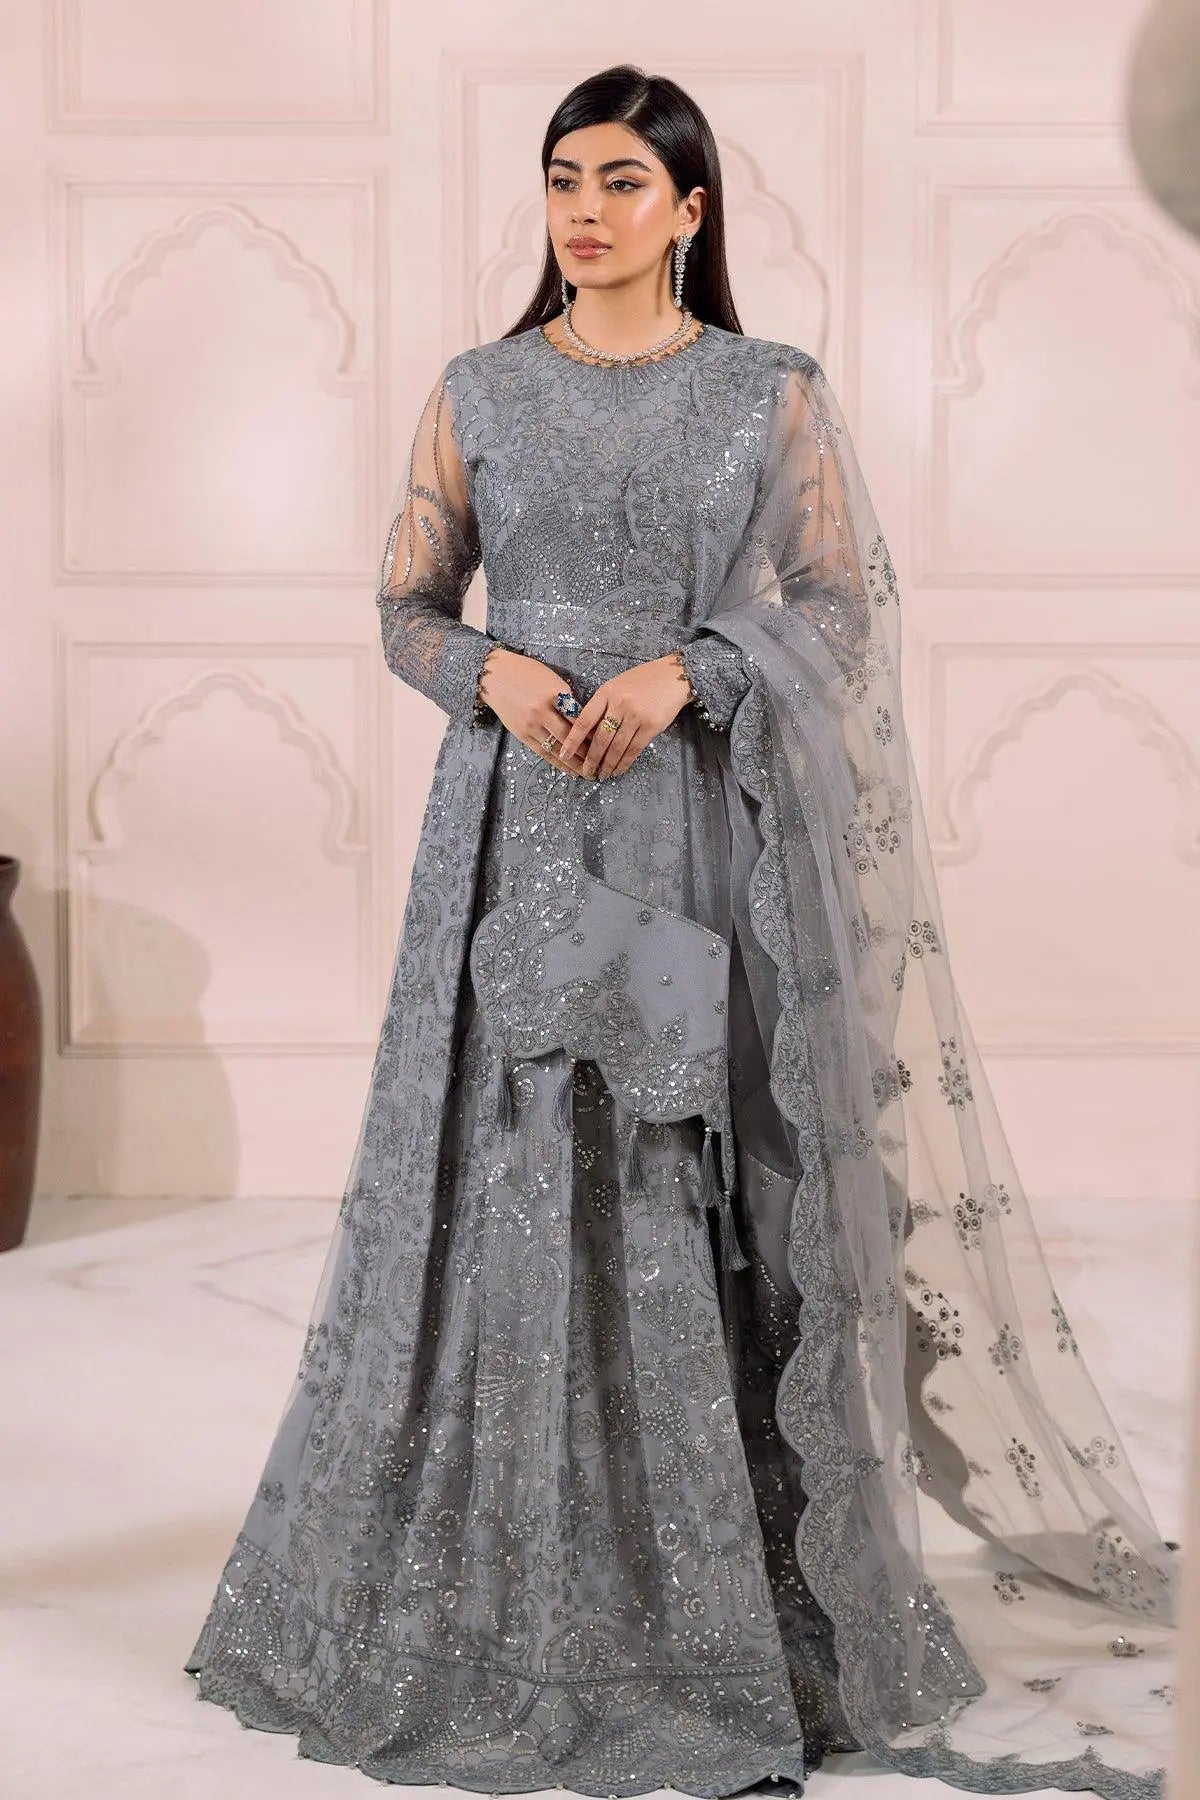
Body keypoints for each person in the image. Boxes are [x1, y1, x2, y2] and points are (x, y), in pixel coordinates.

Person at [183, 63, 1180, 1799]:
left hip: (689, 845)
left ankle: (715, 1617)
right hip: (511, 840)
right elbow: (406, 604)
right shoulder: (479, 389)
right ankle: (502, 1591)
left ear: (691, 210)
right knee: (510, 1170)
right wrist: (485, 669)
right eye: (564, 179)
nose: (586, 210)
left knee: (680, 1176)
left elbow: (843, 610)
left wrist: (694, 673)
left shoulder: (766, 390)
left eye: (624, 182)